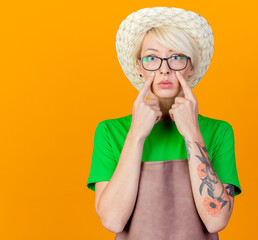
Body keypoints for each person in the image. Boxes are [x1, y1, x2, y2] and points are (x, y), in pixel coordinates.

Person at [87, 7, 242, 240]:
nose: (164, 69)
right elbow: (112, 220)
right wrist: (137, 134)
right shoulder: (110, 131)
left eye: (176, 57)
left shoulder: (219, 131)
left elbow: (216, 220)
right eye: (151, 58)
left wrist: (192, 134)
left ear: (191, 67)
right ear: (139, 67)